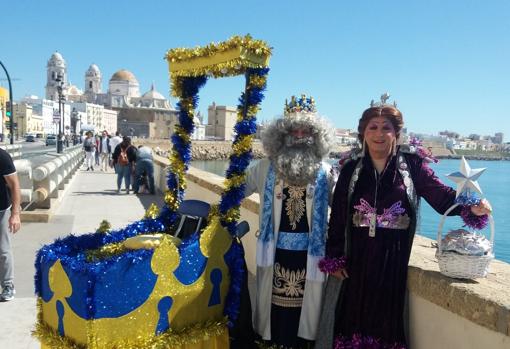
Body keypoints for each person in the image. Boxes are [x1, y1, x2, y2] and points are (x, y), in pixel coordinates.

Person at [316, 98, 492, 349]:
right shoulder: (351, 168)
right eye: (372, 127)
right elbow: (339, 216)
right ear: (363, 133)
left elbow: (441, 198)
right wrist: (334, 256)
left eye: (386, 127)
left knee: (386, 320)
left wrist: (472, 206)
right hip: (357, 257)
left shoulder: (412, 166)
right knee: (351, 315)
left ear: (396, 134)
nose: (379, 134)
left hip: (393, 257)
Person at [245, 95, 337, 348]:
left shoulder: (326, 172)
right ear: (281, 133)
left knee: (304, 314)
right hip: (274, 250)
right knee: (273, 310)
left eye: (305, 129)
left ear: (315, 134)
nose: (299, 134)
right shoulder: (263, 167)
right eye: (293, 129)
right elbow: (235, 189)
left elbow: (341, 208)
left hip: (310, 253)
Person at [0, 147, 21, 302]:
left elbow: (14, 186)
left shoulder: (2, 156)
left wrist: (15, 214)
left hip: (1, 209)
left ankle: (8, 285)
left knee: (3, 250)